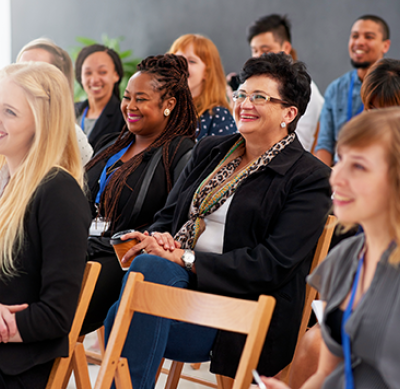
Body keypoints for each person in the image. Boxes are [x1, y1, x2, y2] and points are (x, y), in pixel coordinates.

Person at [103, 52, 331, 388]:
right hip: (176, 286)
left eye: (259, 97)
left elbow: (271, 265)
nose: (244, 103)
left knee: (127, 309)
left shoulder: (309, 176)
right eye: (240, 94)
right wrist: (159, 239)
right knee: (141, 285)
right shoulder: (212, 149)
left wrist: (185, 257)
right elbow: (169, 216)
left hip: (241, 309)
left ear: (289, 113)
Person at [277, 56, 400, 389]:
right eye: (341, 161)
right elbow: (325, 372)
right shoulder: (345, 260)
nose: (336, 178)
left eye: (358, 166)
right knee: (310, 344)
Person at [81, 53, 197, 334]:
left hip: (122, 258)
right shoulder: (110, 144)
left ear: (168, 104)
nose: (130, 106)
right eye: (127, 97)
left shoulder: (180, 154)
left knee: (50, 304)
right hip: (81, 246)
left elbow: (172, 221)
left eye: (141, 99)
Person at [0, 62, 91, 388]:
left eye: (9, 112)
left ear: (42, 124)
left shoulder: (58, 193)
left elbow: (56, 316)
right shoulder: (6, 181)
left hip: (15, 367)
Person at [315, 15, 391, 166]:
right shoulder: (335, 89)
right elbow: (324, 144)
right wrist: (324, 182)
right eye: (355, 36)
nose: (359, 42)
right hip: (340, 170)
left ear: (385, 46)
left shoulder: (394, 86)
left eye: (369, 37)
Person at [244, 14, 324, 151]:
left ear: (286, 47)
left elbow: (299, 146)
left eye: (265, 50)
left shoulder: (303, 91)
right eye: (254, 51)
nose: (258, 57)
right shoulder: (247, 84)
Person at [16, 38, 94, 165]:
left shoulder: (72, 137)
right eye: (20, 67)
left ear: (58, 78)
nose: (25, 75)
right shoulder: (7, 124)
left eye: (37, 69)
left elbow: (84, 181)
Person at [168, 34, 237, 140]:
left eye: (192, 61)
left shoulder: (218, 116)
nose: (183, 65)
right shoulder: (162, 108)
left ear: (207, 73)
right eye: (178, 59)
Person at [75, 44, 125, 149]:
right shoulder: (69, 112)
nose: (94, 80)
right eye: (88, 73)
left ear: (116, 75)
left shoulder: (124, 117)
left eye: (102, 72)